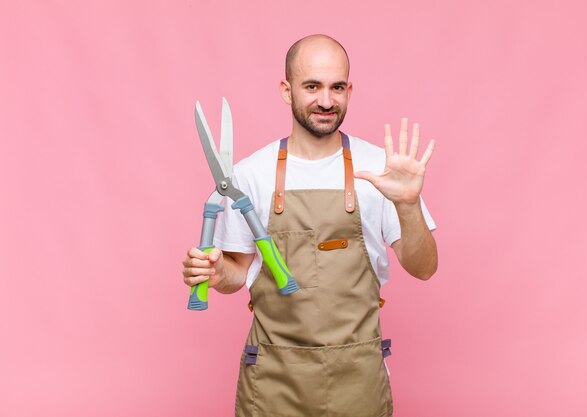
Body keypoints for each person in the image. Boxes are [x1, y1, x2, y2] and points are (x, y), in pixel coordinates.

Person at [182, 34, 438, 417]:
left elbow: (424, 268)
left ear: (349, 90)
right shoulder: (251, 174)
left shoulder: (382, 170)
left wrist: (408, 204)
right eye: (312, 86)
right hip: (273, 384)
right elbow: (237, 272)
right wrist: (217, 272)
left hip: (359, 382)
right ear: (287, 91)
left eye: (337, 87)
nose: (325, 101)